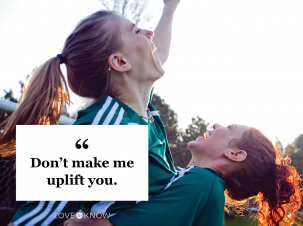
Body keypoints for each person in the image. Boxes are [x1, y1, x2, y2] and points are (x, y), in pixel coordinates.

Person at [1, 1, 181, 225]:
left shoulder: (141, 111)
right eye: (136, 30)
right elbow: (39, 216)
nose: (149, 33)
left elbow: (159, 50)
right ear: (120, 62)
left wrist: (170, 8)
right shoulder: (107, 128)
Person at [64, 123, 303, 226]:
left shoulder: (202, 183)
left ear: (235, 153)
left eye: (229, 128)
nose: (215, 126)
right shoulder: (194, 181)